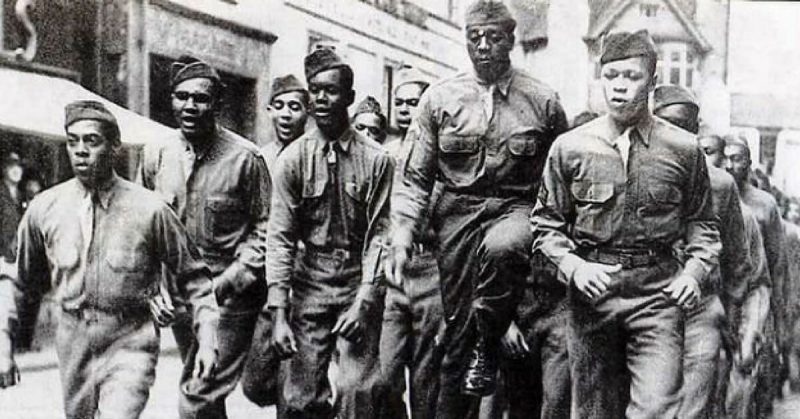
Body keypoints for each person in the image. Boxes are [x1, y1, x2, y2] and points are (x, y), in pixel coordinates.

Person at [389, 1, 568, 416]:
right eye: (475, 38)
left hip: (516, 209)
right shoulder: (439, 99)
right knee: (455, 343)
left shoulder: (542, 100)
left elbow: (561, 177)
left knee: (502, 248)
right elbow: (415, 179)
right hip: (457, 218)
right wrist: (402, 236)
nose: (484, 46)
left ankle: (488, 344)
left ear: (511, 40)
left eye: (494, 38)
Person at [531, 30, 721, 418]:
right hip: (591, 298)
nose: (619, 87)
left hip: (657, 296)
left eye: (631, 77)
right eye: (611, 75)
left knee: (656, 408)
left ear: (652, 82)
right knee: (593, 411)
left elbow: (703, 224)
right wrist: (574, 266)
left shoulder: (683, 150)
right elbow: (546, 224)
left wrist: (693, 274)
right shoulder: (570, 148)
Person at [0, 100, 219, 419]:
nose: (81, 151)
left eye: (92, 141)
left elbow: (197, 281)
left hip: (130, 339)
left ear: (115, 147)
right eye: (73, 141)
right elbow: (18, 283)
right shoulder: (44, 209)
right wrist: (3, 345)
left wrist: (208, 341)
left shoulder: (150, 211)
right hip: (72, 341)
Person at [138, 56, 271, 419]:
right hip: (182, 298)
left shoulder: (246, 158)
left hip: (231, 300)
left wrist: (230, 281)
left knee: (197, 395)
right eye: (182, 97)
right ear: (172, 100)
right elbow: (142, 229)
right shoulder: (156, 154)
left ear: (218, 103)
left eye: (201, 98)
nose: (190, 106)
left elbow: (266, 230)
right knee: (207, 399)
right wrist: (153, 286)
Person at [266, 48, 392, 419]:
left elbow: (381, 237)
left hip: (358, 279)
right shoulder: (292, 160)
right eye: (315, 90)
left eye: (332, 91)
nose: (321, 99)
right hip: (311, 284)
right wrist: (279, 314)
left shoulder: (377, 160)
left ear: (349, 98)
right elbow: (281, 238)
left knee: (358, 391)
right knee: (300, 397)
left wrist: (365, 301)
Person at [654, 85, 753, 419]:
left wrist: (729, 313)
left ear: (695, 131)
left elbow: (738, 261)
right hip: (648, 307)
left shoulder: (721, 185)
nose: (675, 134)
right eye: (666, 124)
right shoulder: (634, 176)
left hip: (701, 310)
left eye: (684, 126)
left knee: (694, 408)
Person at [238, 74, 310, 410]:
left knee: (291, 386)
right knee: (254, 381)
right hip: (263, 283)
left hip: (306, 280)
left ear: (306, 113)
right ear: (267, 110)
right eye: (278, 106)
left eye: (294, 107)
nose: (285, 114)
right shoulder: (257, 159)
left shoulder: (314, 154)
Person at [378, 68, 445, 419]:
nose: (405, 109)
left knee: (426, 379)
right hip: (394, 271)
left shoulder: (445, 161)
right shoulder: (383, 156)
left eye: (413, 102)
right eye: (399, 102)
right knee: (384, 377)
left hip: (432, 272)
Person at [724, 133, 790, 418]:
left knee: (752, 377)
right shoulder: (710, 197)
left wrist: (779, 321)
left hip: (755, 299)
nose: (729, 165)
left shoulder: (764, 205)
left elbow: (777, 265)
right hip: (723, 299)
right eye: (725, 158)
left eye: (736, 158)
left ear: (749, 163)